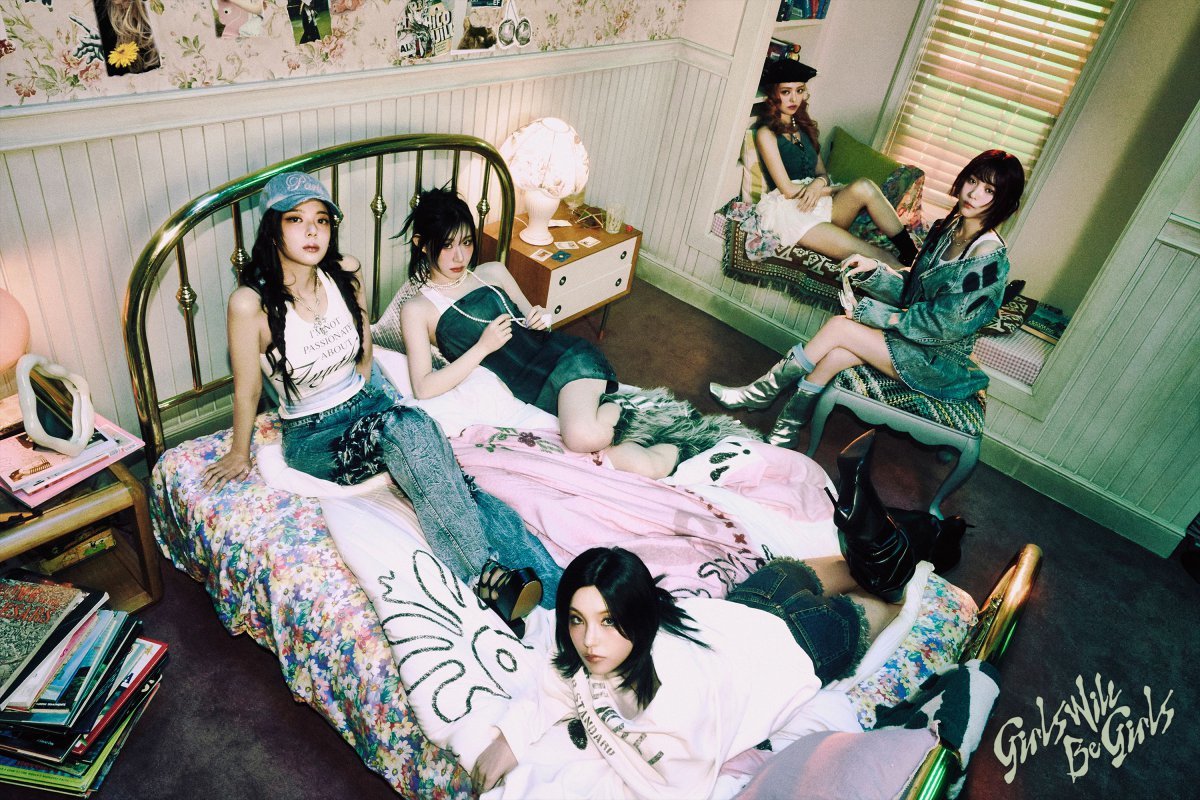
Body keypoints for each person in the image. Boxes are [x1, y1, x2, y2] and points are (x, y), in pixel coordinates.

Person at [200, 171, 561, 631]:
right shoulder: (249, 304)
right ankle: (484, 576)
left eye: (321, 220)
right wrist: (238, 451)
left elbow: (365, 354)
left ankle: (556, 586)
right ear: (273, 228)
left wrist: (380, 406)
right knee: (406, 429)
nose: (312, 232)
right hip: (315, 435)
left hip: (365, 403)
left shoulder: (345, 273)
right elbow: (248, 389)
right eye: (296, 220)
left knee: (451, 472)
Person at [470, 503, 916, 799]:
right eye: (576, 619)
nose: (588, 641)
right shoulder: (604, 644)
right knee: (865, 568)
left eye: (608, 621)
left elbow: (677, 790)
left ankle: (896, 562)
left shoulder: (674, 702)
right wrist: (511, 739)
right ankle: (881, 547)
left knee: (891, 601)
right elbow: (558, 676)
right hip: (752, 601)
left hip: (803, 643)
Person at [712, 149, 1026, 448]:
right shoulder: (949, 228)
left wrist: (871, 313)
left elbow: (942, 326)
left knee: (841, 328)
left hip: (936, 361)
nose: (974, 194)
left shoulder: (987, 259)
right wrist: (874, 270)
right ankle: (787, 428)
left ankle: (761, 392)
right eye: (973, 180)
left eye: (989, 191)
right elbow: (913, 287)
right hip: (912, 339)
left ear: (1003, 202)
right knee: (836, 355)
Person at [397, 188, 680, 479]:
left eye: (467, 242)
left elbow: (537, 316)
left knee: (581, 437)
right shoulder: (417, 309)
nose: (460, 256)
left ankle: (622, 412)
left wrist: (540, 317)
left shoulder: (492, 272)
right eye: (446, 245)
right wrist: (483, 347)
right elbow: (424, 387)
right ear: (421, 244)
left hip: (564, 361)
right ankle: (632, 428)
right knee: (615, 455)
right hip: (530, 390)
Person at [750, 57, 919, 269]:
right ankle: (911, 275)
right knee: (879, 256)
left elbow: (822, 173)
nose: (794, 98)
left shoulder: (803, 127)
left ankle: (913, 254)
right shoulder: (766, 133)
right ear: (773, 95)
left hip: (819, 202)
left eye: (799, 90)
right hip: (793, 211)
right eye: (786, 92)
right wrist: (834, 189)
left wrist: (817, 184)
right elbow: (788, 190)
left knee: (865, 185)